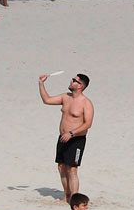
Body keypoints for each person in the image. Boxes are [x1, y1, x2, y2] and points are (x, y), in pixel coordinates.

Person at [39, 72, 94, 202]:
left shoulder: (86, 103)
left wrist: (71, 133)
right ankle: (67, 195)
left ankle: (75, 198)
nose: (71, 81)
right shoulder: (65, 97)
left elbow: (88, 124)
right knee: (61, 166)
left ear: (80, 86)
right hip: (63, 138)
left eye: (74, 80)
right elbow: (47, 100)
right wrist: (41, 83)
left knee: (72, 169)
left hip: (76, 139)